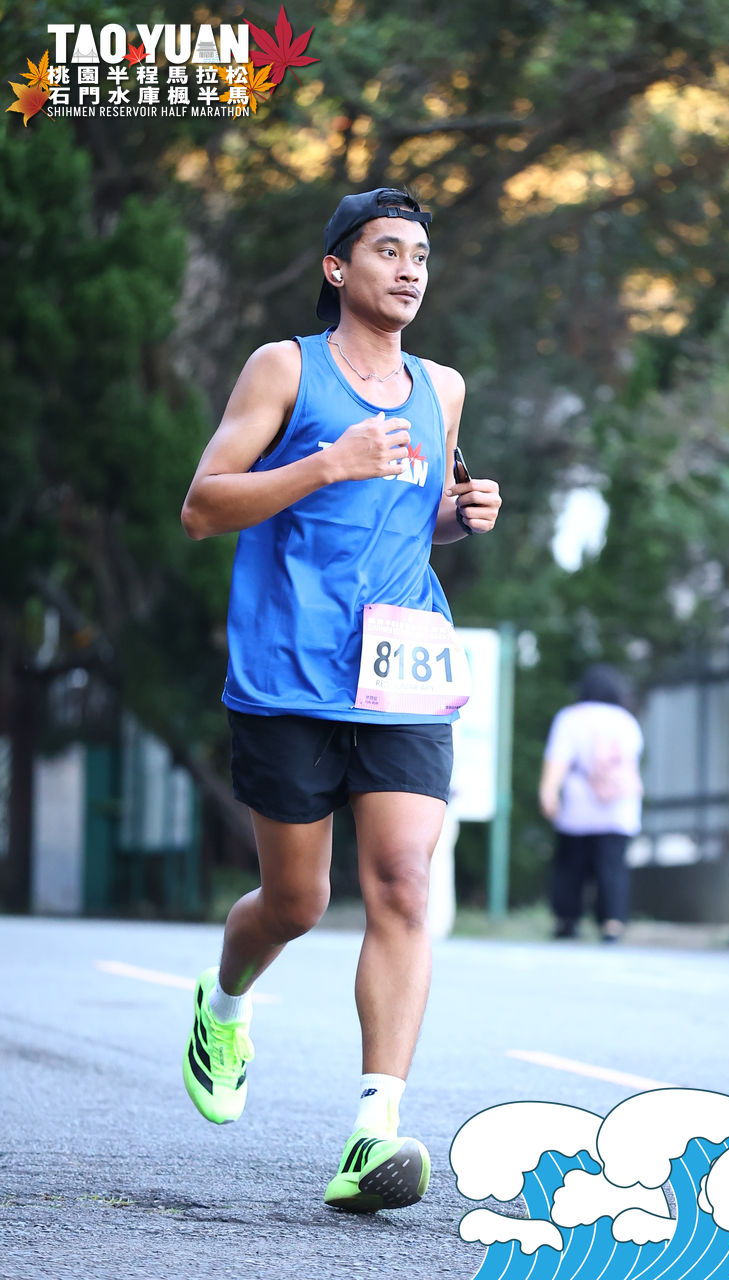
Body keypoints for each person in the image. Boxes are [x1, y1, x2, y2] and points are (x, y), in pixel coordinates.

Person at [179, 186, 501, 1214]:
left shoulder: (441, 386)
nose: (408, 270)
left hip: (401, 667)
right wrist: (325, 462)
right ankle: (224, 1001)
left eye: (420, 256)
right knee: (297, 903)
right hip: (288, 669)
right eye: (386, 251)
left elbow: (415, 512)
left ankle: (374, 1130)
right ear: (337, 268)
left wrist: (462, 514)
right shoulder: (285, 368)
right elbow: (203, 506)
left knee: (403, 883)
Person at [538, 663, 643, 942]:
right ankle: (612, 924)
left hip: (579, 804)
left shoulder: (571, 718)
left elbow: (558, 758)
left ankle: (567, 920)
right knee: (613, 867)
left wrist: (548, 792)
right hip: (620, 806)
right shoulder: (626, 720)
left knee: (571, 866)